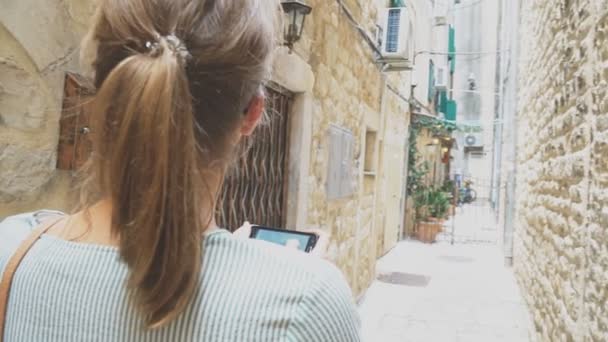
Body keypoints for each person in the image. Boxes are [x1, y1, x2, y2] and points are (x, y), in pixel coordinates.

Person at [0, 0, 361, 340]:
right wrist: (285, 282)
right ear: (252, 113)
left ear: (105, 91)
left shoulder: (12, 252)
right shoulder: (306, 302)